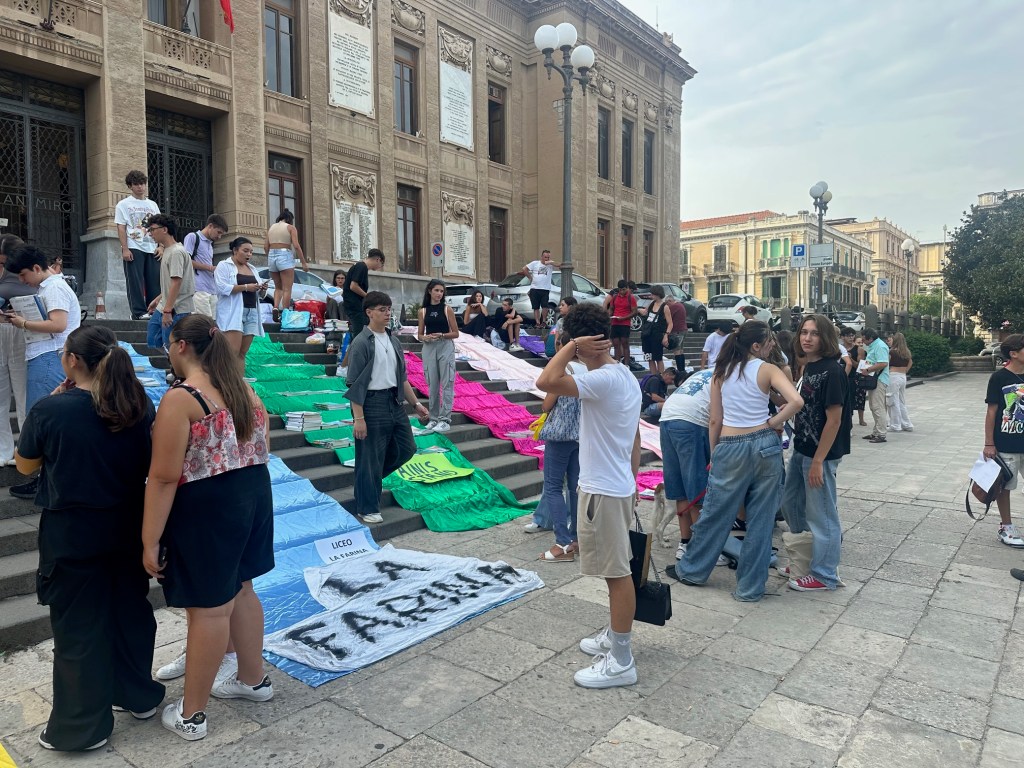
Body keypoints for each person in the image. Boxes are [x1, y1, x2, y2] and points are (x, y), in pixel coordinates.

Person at [16, 326, 164, 752]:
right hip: (129, 527)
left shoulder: (51, 410)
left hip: (74, 534)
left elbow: (25, 467)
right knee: (130, 612)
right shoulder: (139, 404)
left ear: (72, 361)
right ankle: (137, 695)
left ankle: (83, 725)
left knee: (79, 626)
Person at [142, 315, 275, 742]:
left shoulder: (182, 399)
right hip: (252, 494)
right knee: (243, 589)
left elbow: (163, 477)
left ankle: (192, 714)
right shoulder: (245, 389)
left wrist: (150, 538)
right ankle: (252, 680)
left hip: (209, 505)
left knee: (210, 608)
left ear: (181, 346)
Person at [537, 303, 641, 688]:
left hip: (605, 491)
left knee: (617, 575)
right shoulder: (623, 375)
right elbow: (634, 437)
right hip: (615, 486)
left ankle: (621, 659)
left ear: (582, 344)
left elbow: (545, 382)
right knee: (616, 571)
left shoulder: (604, 381)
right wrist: (629, 482)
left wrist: (567, 347)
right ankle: (615, 637)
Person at [669, 321, 803, 602]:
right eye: (768, 342)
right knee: (761, 519)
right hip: (765, 443)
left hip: (730, 444)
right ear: (756, 346)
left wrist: (714, 451)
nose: (771, 347)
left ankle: (693, 570)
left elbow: (715, 419)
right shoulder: (768, 370)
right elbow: (795, 401)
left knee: (716, 513)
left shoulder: (721, 372)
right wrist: (772, 423)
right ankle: (750, 588)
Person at [4, 245, 82, 500]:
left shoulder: (55, 288)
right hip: (47, 356)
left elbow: (58, 325)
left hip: (48, 356)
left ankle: (45, 481)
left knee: (43, 419)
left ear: (37, 268)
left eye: (24, 275)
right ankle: (45, 479)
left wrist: (23, 322)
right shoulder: (49, 287)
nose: (23, 281)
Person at [345, 291, 430, 524]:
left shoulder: (393, 340)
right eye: (382, 309)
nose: (387, 313)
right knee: (369, 457)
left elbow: (402, 378)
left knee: (407, 448)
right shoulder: (361, 342)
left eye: (389, 309)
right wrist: (358, 418)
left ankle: (368, 481)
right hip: (371, 404)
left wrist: (417, 404)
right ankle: (367, 506)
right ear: (369, 312)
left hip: (394, 402)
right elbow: (353, 383)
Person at [781, 315, 852, 592]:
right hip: (803, 447)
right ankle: (805, 557)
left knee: (822, 513)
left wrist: (819, 462)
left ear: (825, 338)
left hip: (820, 454)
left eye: (814, 334)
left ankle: (825, 575)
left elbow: (834, 420)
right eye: (804, 332)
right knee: (791, 504)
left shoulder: (832, 371)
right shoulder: (810, 367)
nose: (807, 338)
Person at [536, 355, 582, 563]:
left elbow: (546, 405)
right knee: (575, 489)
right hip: (579, 436)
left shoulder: (563, 371)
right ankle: (576, 539)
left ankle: (563, 543)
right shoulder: (589, 371)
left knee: (554, 487)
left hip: (558, 436)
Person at [984, 335, 1024, 551]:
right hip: (1006, 442)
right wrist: (989, 444)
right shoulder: (999, 378)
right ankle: (1006, 526)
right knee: (1005, 487)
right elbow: (992, 411)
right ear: (1014, 353)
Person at [0, 234, 32, 467]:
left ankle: (25, 449)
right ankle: (3, 450)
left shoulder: (29, 269)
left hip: (22, 330)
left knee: (22, 394)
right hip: (2, 330)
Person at [114, 170, 161, 320]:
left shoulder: (152, 204)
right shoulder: (123, 204)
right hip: (134, 246)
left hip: (152, 246)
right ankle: (138, 312)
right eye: (136, 184)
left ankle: (152, 310)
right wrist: (125, 249)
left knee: (154, 280)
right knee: (135, 281)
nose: (140, 187)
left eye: (142, 183)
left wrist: (161, 246)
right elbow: (121, 227)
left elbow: (159, 224)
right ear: (130, 186)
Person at [147, 214, 195, 351]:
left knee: (172, 346)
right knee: (153, 339)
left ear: (165, 230)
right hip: (164, 305)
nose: (150, 234)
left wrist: (168, 310)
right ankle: (172, 367)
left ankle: (176, 370)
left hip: (176, 308)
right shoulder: (168, 251)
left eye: (152, 229)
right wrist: (158, 299)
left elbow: (177, 282)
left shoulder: (176, 252)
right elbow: (170, 282)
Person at [215, 237, 267, 360]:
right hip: (234, 312)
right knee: (232, 352)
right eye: (245, 251)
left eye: (251, 252)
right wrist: (245, 287)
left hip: (252, 312)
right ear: (235, 250)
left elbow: (259, 295)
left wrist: (262, 289)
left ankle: (238, 378)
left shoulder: (252, 269)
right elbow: (222, 288)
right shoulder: (224, 265)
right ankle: (227, 378)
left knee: (242, 353)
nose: (249, 254)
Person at [417, 280, 459, 433]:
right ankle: (434, 418)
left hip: (445, 345)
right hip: (429, 347)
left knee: (447, 382)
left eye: (442, 291)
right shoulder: (423, 311)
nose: (439, 294)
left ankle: (445, 419)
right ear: (430, 291)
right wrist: (425, 338)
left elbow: (456, 333)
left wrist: (442, 335)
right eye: (436, 290)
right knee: (432, 384)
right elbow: (420, 334)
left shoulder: (447, 310)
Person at [340, 249, 386, 372]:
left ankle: (345, 366)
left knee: (359, 336)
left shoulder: (359, 266)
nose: (379, 267)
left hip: (355, 306)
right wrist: (368, 296)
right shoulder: (362, 267)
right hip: (355, 307)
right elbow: (353, 286)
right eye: (381, 265)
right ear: (378, 259)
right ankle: (347, 367)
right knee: (359, 337)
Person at [264, 209, 308, 322]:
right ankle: (285, 313)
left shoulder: (271, 228)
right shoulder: (290, 228)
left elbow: (265, 247)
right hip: (284, 254)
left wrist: (270, 257)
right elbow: (296, 246)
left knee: (278, 287)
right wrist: (303, 262)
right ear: (290, 219)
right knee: (287, 288)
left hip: (271, 255)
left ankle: (275, 307)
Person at [183, 214, 228, 319]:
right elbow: (185, 261)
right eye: (219, 232)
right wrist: (211, 268)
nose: (219, 236)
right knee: (202, 323)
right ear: (210, 226)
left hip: (212, 289)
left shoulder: (210, 244)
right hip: (198, 288)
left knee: (212, 324)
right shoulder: (193, 237)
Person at [861, 327, 890, 443]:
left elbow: (883, 363)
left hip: (879, 379)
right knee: (874, 406)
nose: (863, 341)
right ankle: (876, 431)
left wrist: (868, 370)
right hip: (874, 377)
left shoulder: (880, 346)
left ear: (871, 338)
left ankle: (881, 433)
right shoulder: (874, 345)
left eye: (864, 339)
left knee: (878, 407)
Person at [638, 285, 673, 374]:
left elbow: (670, 323)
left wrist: (666, 335)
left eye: (653, 294)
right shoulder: (651, 304)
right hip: (647, 334)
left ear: (657, 294)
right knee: (649, 358)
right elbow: (645, 312)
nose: (651, 296)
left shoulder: (665, 307)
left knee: (658, 358)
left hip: (657, 335)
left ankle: (661, 376)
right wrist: (637, 310)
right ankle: (653, 376)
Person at [886, 332, 914, 432]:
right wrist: (906, 370)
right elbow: (910, 362)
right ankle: (906, 424)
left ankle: (895, 424)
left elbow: (886, 363)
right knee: (901, 401)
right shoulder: (906, 352)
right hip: (903, 376)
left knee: (892, 401)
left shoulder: (892, 352)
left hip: (893, 375)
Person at [604, 280, 636, 366]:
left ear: (627, 288)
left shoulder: (631, 297)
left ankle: (626, 364)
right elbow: (611, 308)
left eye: (624, 289)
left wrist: (624, 318)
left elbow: (634, 311)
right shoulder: (615, 297)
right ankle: (617, 363)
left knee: (624, 343)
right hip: (615, 322)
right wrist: (609, 315)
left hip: (625, 323)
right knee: (615, 343)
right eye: (620, 289)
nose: (622, 291)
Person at [841, 328, 868, 425]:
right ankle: (847, 420)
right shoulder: (839, 348)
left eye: (852, 335)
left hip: (854, 377)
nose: (851, 338)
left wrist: (850, 359)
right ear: (842, 337)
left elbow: (859, 366)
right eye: (848, 335)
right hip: (842, 376)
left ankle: (860, 419)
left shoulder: (859, 349)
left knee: (858, 398)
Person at [521, 249, 554, 327]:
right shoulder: (535, 263)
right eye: (545, 257)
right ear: (542, 257)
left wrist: (551, 262)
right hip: (535, 288)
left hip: (545, 289)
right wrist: (530, 277)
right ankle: (537, 322)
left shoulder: (550, 265)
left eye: (548, 257)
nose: (546, 259)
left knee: (545, 306)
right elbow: (524, 269)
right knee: (536, 307)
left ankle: (544, 321)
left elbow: (560, 265)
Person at [664, 294, 688, 369]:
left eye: (667, 303)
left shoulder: (673, 307)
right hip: (683, 329)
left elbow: (666, 317)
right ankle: (682, 369)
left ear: (670, 301)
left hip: (677, 330)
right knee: (681, 350)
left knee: (676, 351)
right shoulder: (680, 305)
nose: (666, 305)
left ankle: (680, 369)